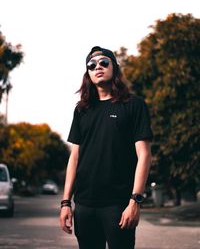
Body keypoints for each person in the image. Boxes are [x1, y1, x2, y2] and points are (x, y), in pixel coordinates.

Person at [60, 46, 153, 249]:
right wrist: (66, 203)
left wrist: (135, 200)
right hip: (84, 205)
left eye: (104, 62)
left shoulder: (133, 105)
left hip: (117, 205)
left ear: (115, 68)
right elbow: (74, 157)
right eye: (91, 65)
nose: (98, 67)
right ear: (88, 74)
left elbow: (144, 155)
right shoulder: (82, 109)